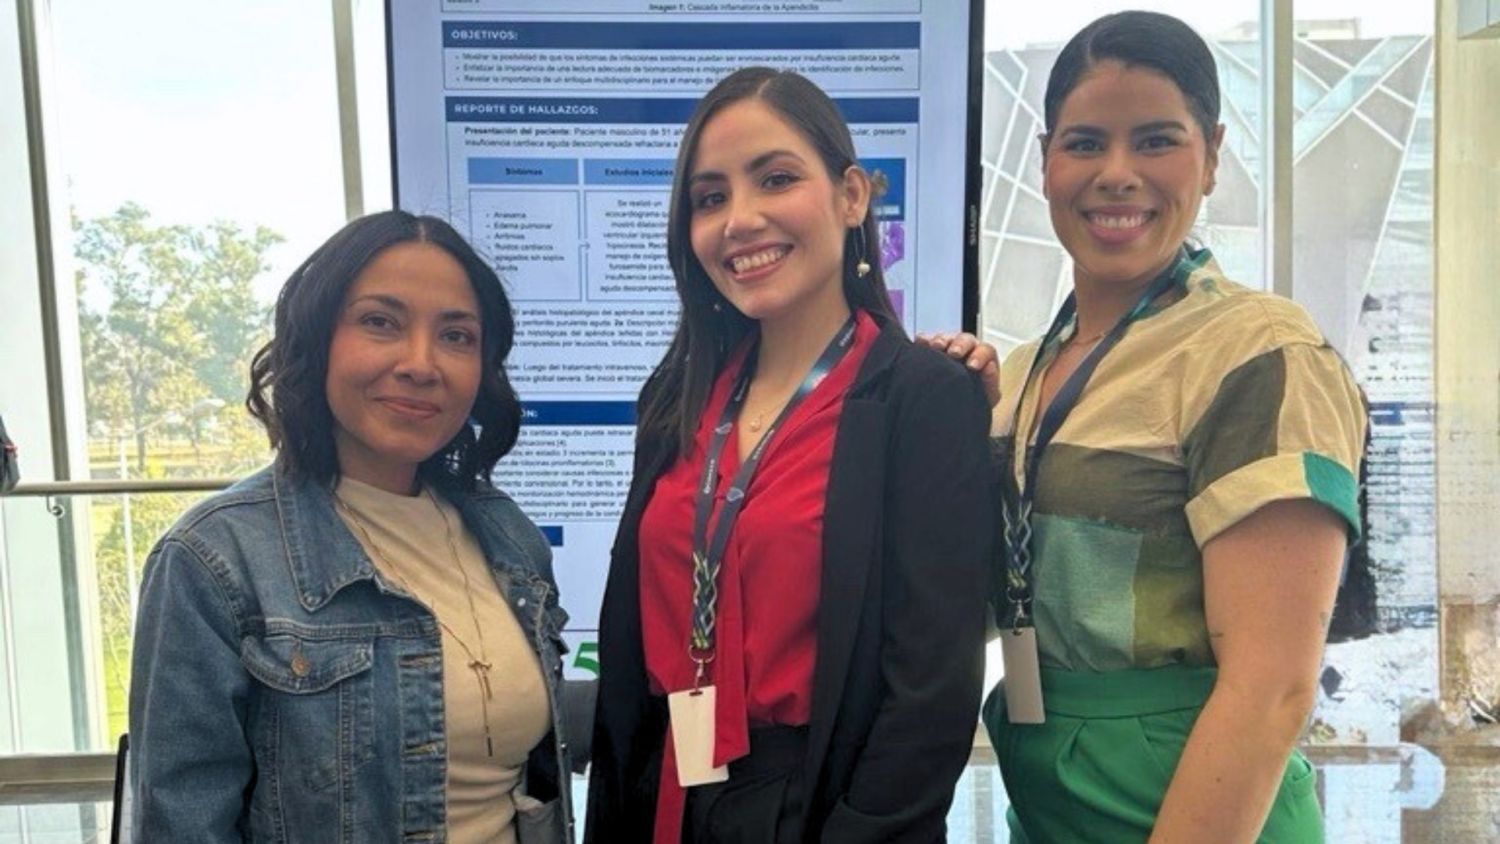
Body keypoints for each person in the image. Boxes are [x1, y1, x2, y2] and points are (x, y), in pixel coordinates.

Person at [924, 11, 1367, 842]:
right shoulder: (1018, 375)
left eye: (1157, 141)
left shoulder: (1258, 352)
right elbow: (972, 603)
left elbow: (1272, 687)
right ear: (1046, 159)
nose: (1118, 175)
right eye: (1085, 143)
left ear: (1212, 156)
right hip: (1053, 800)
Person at [585, 67, 993, 843]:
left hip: (821, 809)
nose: (740, 220)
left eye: (775, 179)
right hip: (668, 788)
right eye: (710, 198)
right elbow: (631, 656)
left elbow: (931, 692)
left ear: (851, 196)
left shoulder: (922, 396)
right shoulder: (675, 399)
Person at [128, 211, 574, 843]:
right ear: (317, 341)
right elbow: (182, 826)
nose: (421, 363)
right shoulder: (214, 558)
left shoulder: (507, 535)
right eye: (380, 322)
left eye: (456, 336)